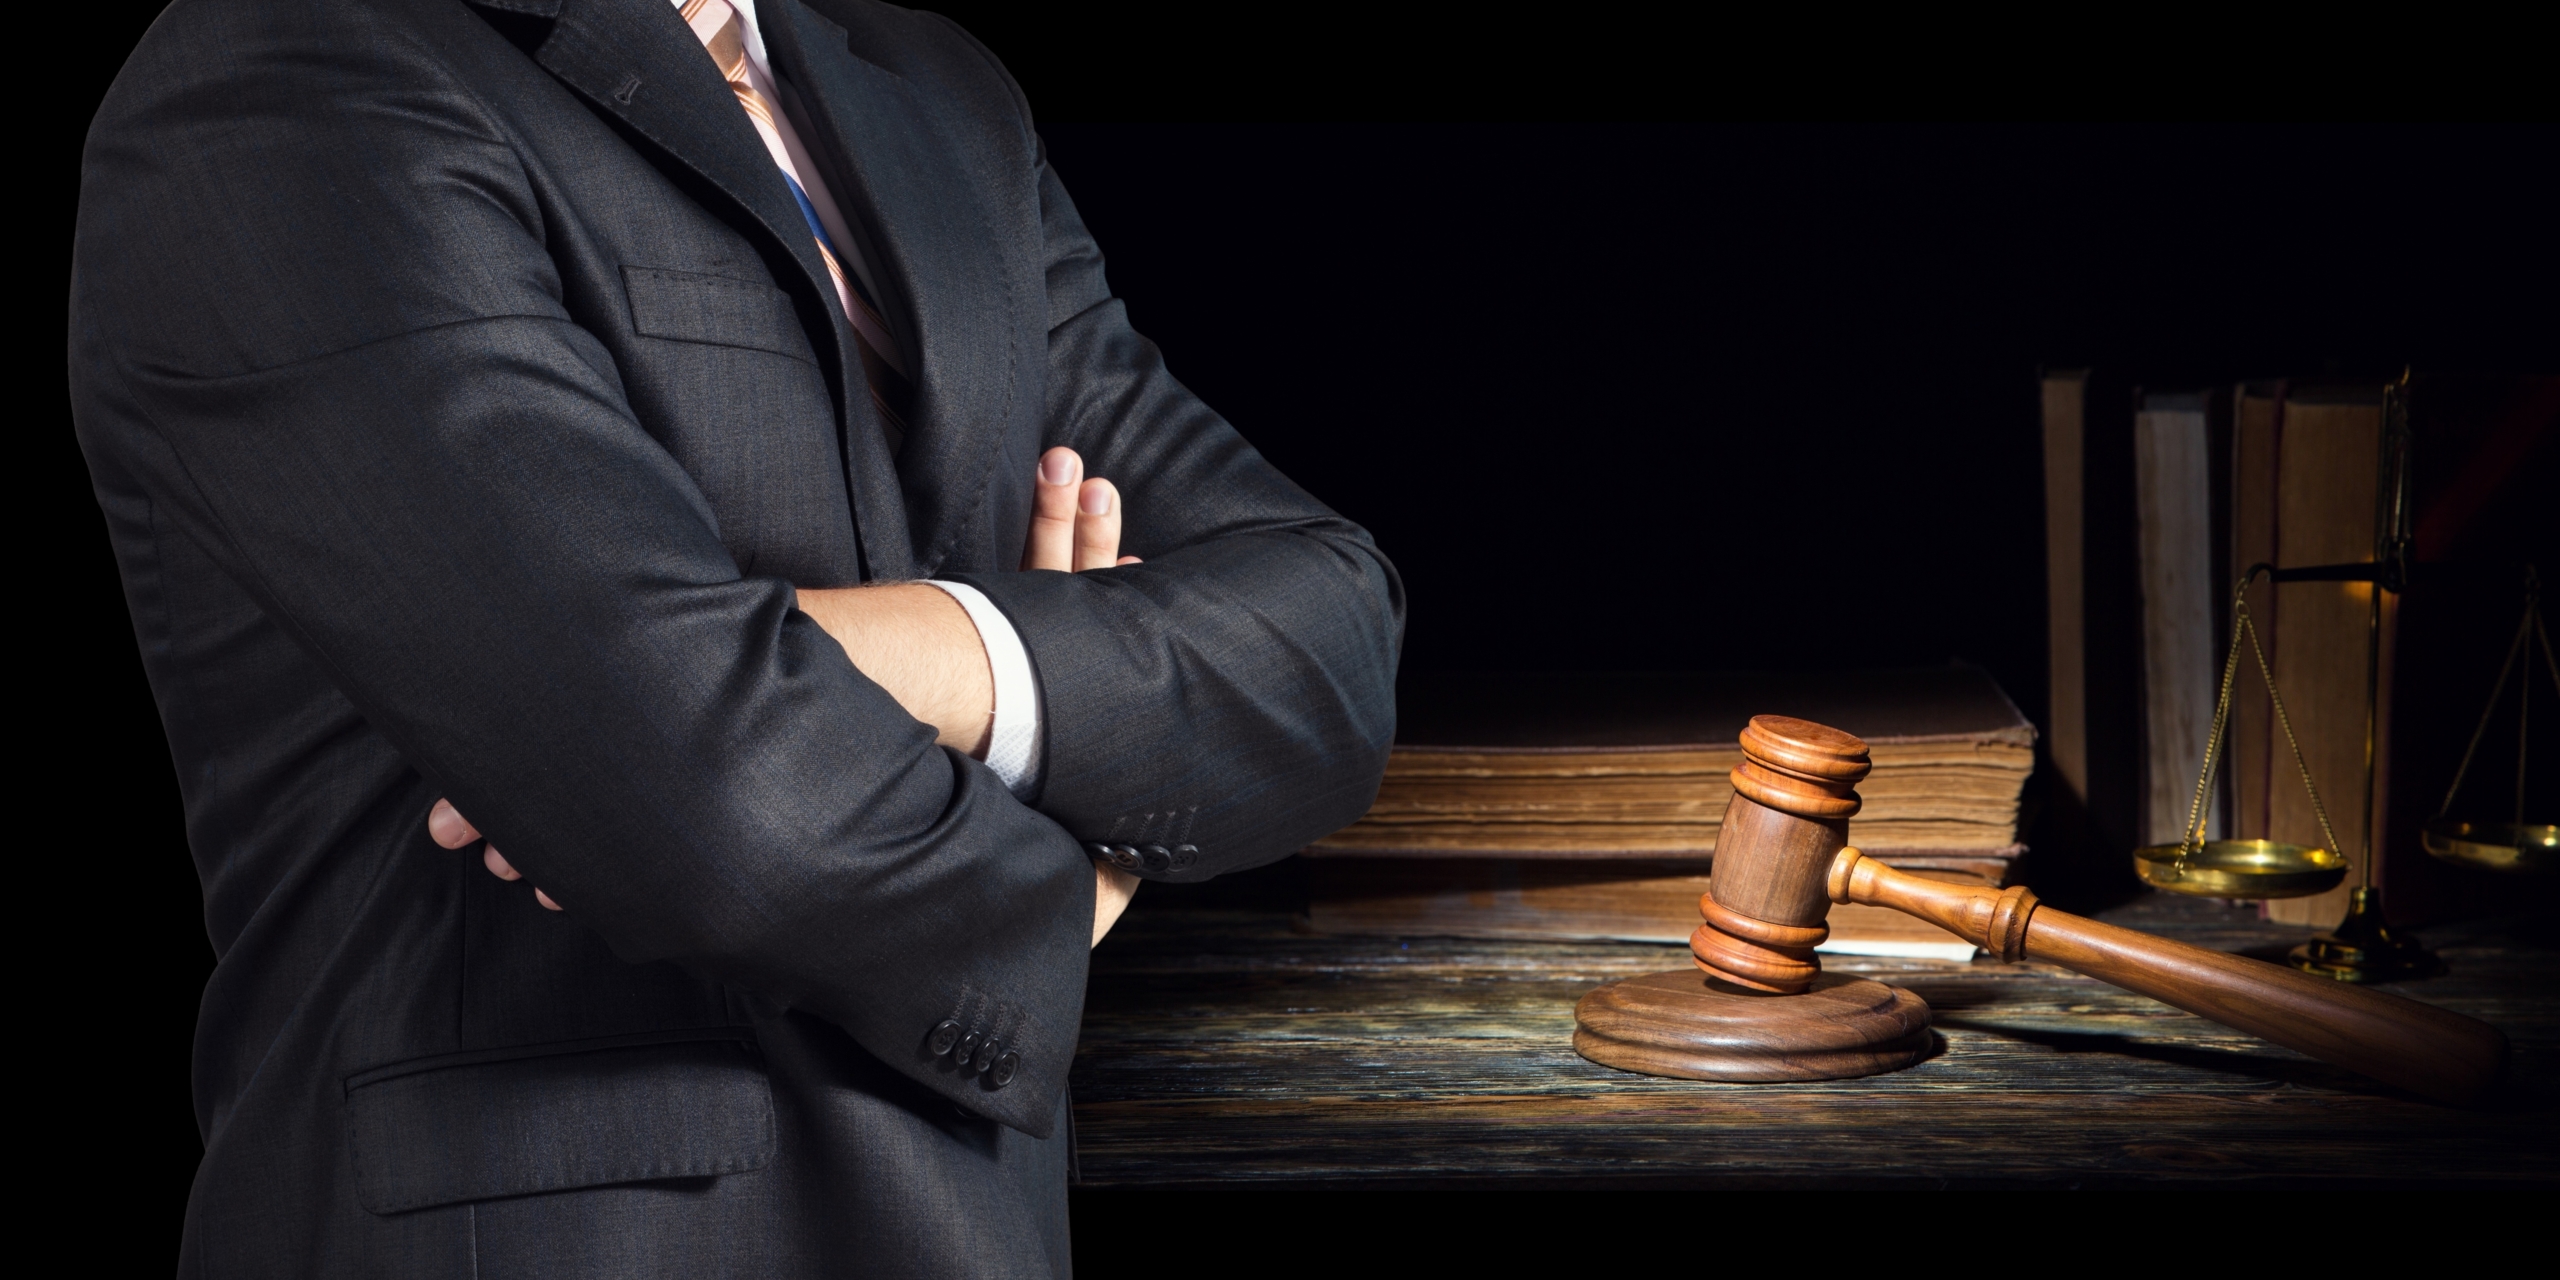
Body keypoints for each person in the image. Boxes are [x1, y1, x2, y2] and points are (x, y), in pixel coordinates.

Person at [69, 0, 1402, 1273]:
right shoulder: (282, 78)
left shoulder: (936, 91)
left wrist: (923, 654)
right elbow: (693, 784)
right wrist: (1075, 880)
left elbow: (1326, 639)